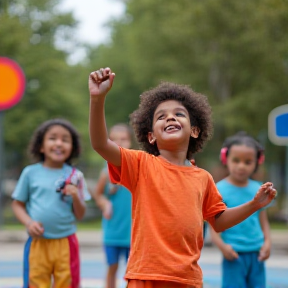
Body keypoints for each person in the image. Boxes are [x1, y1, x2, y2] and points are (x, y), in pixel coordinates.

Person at [88, 67, 276, 288]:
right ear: (151, 136)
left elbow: (219, 221)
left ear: (194, 130)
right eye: (161, 116)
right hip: (146, 275)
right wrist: (97, 99)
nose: (170, 117)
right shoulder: (140, 164)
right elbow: (101, 144)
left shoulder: (203, 178)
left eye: (179, 114)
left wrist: (254, 205)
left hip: (187, 280)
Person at [11, 118, 91, 288]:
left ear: (73, 148)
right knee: (36, 283)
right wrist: (29, 222)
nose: (59, 143)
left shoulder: (76, 176)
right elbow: (17, 205)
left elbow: (81, 214)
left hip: (66, 244)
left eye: (65, 140)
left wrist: (76, 196)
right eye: (53, 138)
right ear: (41, 146)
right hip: (38, 242)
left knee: (67, 284)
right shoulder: (30, 173)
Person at [209, 131, 273, 288]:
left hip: (257, 254)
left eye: (247, 162)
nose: (241, 166)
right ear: (225, 159)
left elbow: (263, 220)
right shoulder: (219, 189)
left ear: (257, 162)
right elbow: (213, 224)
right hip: (234, 254)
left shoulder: (258, 189)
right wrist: (222, 247)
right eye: (236, 160)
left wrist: (268, 243)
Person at [93, 123, 132, 288]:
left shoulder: (136, 167)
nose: (119, 143)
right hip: (113, 232)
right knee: (112, 267)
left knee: (133, 271)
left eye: (123, 139)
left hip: (133, 233)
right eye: (114, 139)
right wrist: (104, 202)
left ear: (130, 142)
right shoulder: (106, 171)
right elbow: (98, 193)